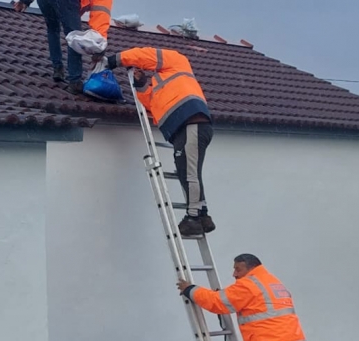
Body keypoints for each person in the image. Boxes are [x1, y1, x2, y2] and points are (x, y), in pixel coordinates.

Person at [102, 47, 214, 236]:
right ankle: (202, 215)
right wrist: (141, 84)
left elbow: (144, 55)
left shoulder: (176, 61)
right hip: (184, 128)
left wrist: (114, 60)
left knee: (189, 173)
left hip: (192, 123)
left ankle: (193, 217)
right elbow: (151, 105)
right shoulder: (161, 85)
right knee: (186, 171)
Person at [13, 0, 113, 94]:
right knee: (75, 37)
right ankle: (75, 81)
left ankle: (58, 69)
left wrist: (24, 0)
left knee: (52, 29)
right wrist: (100, 46)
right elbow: (101, 14)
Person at [177, 254, 306, 341]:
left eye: (238, 270)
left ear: (250, 268)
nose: (234, 274)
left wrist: (189, 289)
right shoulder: (272, 281)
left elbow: (217, 302)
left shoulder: (249, 285)